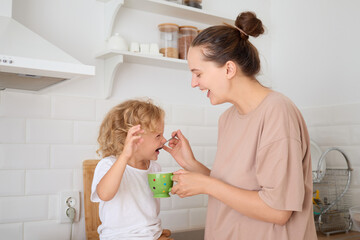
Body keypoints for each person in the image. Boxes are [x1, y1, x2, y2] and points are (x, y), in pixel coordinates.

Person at [163, 11, 317, 240]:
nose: (194, 83)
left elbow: (278, 211)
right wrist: (191, 164)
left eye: (198, 73)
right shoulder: (227, 119)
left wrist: (205, 185)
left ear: (228, 69)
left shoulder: (277, 112)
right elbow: (233, 188)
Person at [91, 99, 173, 240]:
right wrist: (124, 156)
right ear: (134, 139)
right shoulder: (108, 165)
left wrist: (174, 185)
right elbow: (104, 194)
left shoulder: (154, 167)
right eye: (158, 135)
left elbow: (149, 209)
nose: (164, 140)